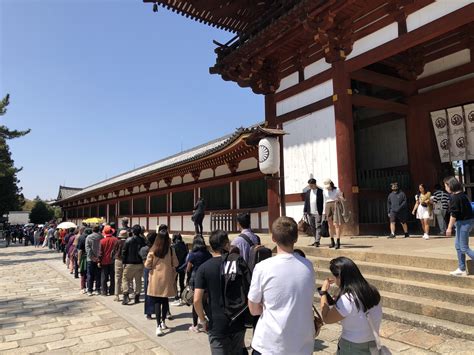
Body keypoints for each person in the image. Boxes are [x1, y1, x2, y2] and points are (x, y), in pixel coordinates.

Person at [248, 216, 315, 355]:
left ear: (273, 238)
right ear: (296, 238)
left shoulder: (263, 267)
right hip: (302, 345)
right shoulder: (308, 266)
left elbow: (253, 309)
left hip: (270, 344)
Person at [194, 230, 249, 355]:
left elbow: (197, 300)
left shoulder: (204, 268)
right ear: (226, 244)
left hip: (216, 322)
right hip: (237, 318)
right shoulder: (238, 262)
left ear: (211, 246)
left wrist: (203, 320)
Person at [320, 257, 382, 355]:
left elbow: (326, 318)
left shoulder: (347, 298)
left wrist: (323, 292)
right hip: (373, 343)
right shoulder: (373, 290)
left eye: (334, 277)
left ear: (340, 277)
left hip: (352, 346)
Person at [145, 228, 178, 336]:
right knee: (165, 301)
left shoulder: (153, 250)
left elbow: (147, 265)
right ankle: (163, 322)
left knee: (157, 302)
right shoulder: (171, 250)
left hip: (155, 279)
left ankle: (158, 325)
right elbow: (176, 263)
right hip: (167, 278)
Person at [444, 176, 474, 276]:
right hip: (466, 222)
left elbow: (454, 214)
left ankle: (462, 269)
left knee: (464, 248)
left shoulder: (454, 198)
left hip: (463, 224)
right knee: (458, 246)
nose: (445, 188)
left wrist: (449, 228)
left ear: (450, 185)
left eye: (446, 185)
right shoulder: (462, 195)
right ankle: (461, 269)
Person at [186, 235, 212, 332]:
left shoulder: (193, 254)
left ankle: (195, 325)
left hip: (195, 278)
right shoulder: (208, 254)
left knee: (195, 303)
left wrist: (187, 279)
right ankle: (209, 322)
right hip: (206, 279)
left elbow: (188, 268)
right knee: (205, 302)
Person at [122, 224, 146, 305]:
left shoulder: (128, 240)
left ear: (133, 231)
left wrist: (124, 262)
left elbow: (124, 252)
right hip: (139, 263)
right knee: (138, 280)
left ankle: (125, 295)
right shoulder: (142, 240)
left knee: (125, 279)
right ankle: (137, 296)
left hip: (130, 263)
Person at [323, 178, 347, 249]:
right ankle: (332, 241)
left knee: (336, 224)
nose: (328, 188)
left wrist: (339, 198)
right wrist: (324, 212)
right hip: (328, 206)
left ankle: (338, 241)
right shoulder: (324, 191)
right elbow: (324, 200)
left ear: (331, 184)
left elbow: (342, 198)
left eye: (328, 186)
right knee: (330, 225)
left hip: (336, 205)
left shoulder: (337, 190)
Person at [140, 231, 158, 319]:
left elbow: (144, 262)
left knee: (148, 291)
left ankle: (149, 312)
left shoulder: (144, 249)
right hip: (157, 270)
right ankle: (160, 310)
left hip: (147, 270)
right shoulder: (158, 249)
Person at [303, 178, 324, 247]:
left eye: (311, 185)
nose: (310, 186)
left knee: (318, 226)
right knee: (312, 227)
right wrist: (305, 211)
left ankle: (317, 241)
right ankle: (315, 240)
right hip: (310, 212)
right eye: (309, 185)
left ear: (315, 184)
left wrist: (323, 211)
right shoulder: (308, 192)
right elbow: (306, 202)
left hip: (318, 211)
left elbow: (323, 202)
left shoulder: (320, 191)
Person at [99, 225, 118, 296]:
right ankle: (112, 291)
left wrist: (99, 261)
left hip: (104, 261)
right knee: (112, 276)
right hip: (113, 261)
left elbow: (100, 253)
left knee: (103, 276)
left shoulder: (102, 241)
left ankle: (104, 291)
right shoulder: (115, 240)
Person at [85, 226, 104, 296]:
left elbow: (87, 248)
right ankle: (97, 289)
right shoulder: (101, 237)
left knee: (90, 274)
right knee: (98, 274)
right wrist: (97, 257)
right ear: (99, 230)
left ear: (92, 230)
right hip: (99, 258)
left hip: (90, 259)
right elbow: (102, 248)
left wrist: (92, 257)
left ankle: (90, 290)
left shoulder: (88, 237)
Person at [171, 233, 188, 305]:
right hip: (183, 265)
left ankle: (176, 296)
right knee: (182, 281)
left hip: (175, 265)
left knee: (174, 281)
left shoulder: (173, 246)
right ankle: (182, 295)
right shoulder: (184, 246)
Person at [112, 229, 128, 301]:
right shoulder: (128, 242)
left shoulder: (117, 242)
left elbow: (114, 250)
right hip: (127, 261)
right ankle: (126, 293)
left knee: (117, 277)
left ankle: (117, 295)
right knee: (125, 278)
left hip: (118, 260)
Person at [77, 228, 92, 293]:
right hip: (91, 256)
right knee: (90, 273)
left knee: (83, 273)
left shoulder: (81, 237)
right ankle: (89, 287)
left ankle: (83, 287)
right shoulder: (93, 237)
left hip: (83, 256)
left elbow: (79, 250)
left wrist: (78, 259)